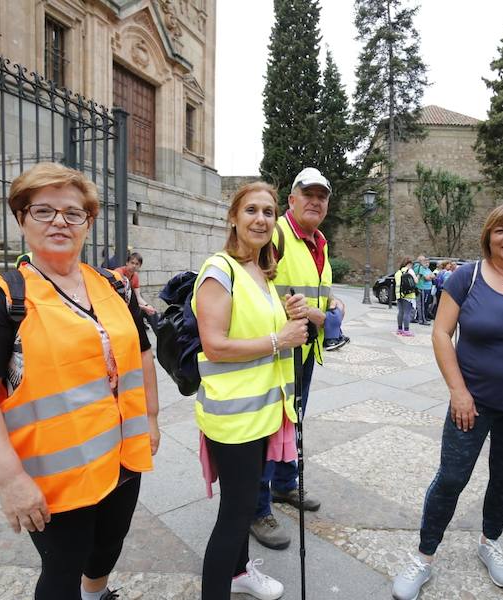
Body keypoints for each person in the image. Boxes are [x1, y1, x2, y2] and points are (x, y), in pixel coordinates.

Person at [0, 162, 160, 600]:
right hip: (56, 473)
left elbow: (141, 353)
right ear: (21, 218)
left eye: (73, 213)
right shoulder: (2, 298)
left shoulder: (110, 285)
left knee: (107, 548)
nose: (60, 222)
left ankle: (96, 595)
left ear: (88, 221)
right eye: (44, 211)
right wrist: (9, 481)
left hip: (122, 456)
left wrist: (153, 420)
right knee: (62, 568)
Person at [392, 203, 503, 599]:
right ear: (488, 235)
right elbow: (441, 334)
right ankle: (424, 556)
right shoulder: (467, 278)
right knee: (452, 477)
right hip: (470, 404)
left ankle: (491, 542)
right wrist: (458, 392)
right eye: (500, 229)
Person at [194, 181, 308, 600]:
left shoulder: (261, 272)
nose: (261, 219)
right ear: (233, 217)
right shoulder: (218, 270)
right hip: (233, 417)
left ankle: (240, 572)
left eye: (268, 212)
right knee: (236, 512)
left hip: (261, 412)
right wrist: (280, 339)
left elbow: (269, 332)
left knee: (242, 508)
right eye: (251, 211)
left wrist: (291, 314)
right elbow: (215, 345)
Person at [251, 167, 336, 549]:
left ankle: (285, 485)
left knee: (293, 420)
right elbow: (258, 286)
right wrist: (315, 316)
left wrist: (330, 302)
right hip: (276, 349)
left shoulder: (319, 241)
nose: (315, 201)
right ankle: (257, 509)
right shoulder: (277, 234)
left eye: (322, 196)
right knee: (269, 426)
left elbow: (313, 288)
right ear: (292, 200)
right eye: (308, 194)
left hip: (303, 349)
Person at [116, 252, 159, 329]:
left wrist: (148, 306)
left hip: (130, 304)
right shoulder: (119, 273)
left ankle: (162, 338)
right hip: (118, 304)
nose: (134, 266)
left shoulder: (135, 276)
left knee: (152, 313)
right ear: (127, 262)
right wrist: (144, 308)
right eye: (132, 263)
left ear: (140, 266)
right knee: (140, 312)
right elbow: (122, 301)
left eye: (137, 264)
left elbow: (138, 297)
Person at [394, 257, 417, 337]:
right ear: (409, 264)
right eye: (411, 264)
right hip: (408, 295)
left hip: (399, 294)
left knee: (400, 312)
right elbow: (416, 281)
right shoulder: (410, 271)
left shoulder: (398, 272)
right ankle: (406, 330)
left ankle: (399, 329)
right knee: (407, 312)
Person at [413, 255, 434, 325]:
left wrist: (430, 277)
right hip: (421, 287)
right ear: (420, 261)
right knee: (422, 305)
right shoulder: (420, 267)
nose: (425, 262)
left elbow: (433, 276)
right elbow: (426, 278)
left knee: (419, 304)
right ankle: (422, 320)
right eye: (423, 260)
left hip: (419, 287)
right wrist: (430, 277)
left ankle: (418, 318)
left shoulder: (416, 267)